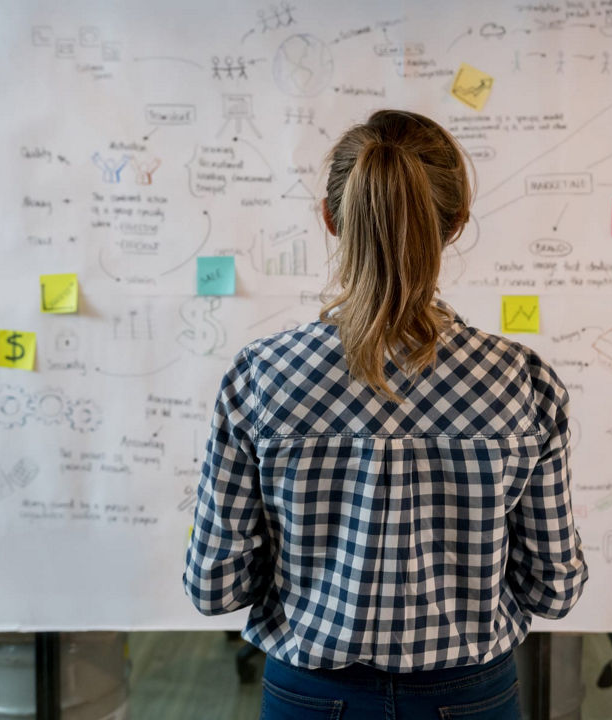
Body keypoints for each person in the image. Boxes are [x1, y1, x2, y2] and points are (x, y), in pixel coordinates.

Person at [184, 109, 587, 720]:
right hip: (470, 697)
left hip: (310, 695)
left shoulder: (261, 376)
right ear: (456, 224)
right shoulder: (521, 380)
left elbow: (215, 587)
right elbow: (554, 590)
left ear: (330, 218)